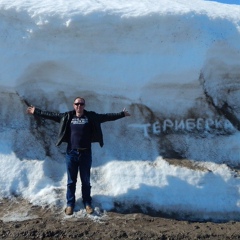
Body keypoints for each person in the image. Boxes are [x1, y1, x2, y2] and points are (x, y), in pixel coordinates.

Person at [26, 97, 130, 215]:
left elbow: (106, 117)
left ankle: (87, 203)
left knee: (85, 181)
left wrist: (122, 114)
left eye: (81, 104)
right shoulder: (67, 116)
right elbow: (51, 115)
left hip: (85, 153)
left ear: (84, 105)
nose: (79, 106)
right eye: (77, 104)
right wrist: (36, 111)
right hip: (71, 153)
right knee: (71, 181)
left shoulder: (91, 116)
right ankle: (70, 204)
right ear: (73, 105)